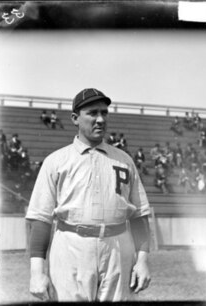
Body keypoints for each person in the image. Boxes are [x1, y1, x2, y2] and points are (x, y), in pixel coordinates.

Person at [26, 88, 151, 302]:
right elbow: (40, 220)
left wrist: (142, 261)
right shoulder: (56, 161)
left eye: (104, 112)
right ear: (75, 118)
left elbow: (139, 215)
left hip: (118, 245)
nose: (100, 119)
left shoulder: (124, 159)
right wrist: (37, 273)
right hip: (71, 245)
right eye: (93, 113)